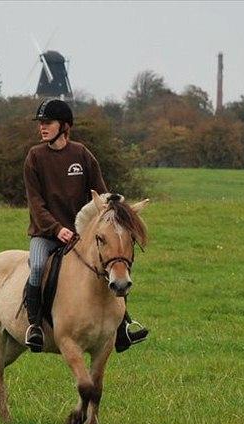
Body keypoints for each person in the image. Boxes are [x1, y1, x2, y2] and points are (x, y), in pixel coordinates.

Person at [22, 98, 148, 353]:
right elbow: (36, 204)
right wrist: (57, 229)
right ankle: (34, 325)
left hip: (82, 235)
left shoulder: (81, 154)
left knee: (114, 263)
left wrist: (114, 209)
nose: (42, 128)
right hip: (46, 234)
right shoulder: (35, 157)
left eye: (48, 123)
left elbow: (101, 196)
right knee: (36, 267)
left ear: (64, 126)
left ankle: (123, 325)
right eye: (41, 123)